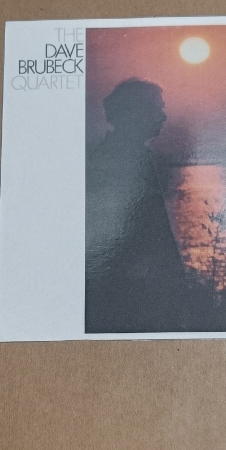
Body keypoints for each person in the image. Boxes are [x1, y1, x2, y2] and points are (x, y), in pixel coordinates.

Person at [85, 79, 187, 333]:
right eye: (157, 109)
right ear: (136, 112)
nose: (163, 116)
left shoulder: (129, 158)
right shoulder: (116, 162)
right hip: (131, 292)